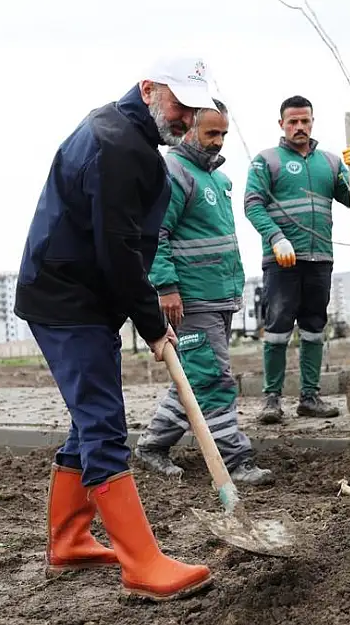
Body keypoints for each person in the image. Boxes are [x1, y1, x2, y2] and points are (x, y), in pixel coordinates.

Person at [14, 56, 218, 601]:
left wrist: (137, 313)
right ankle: (142, 564)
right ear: (149, 88)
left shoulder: (120, 131)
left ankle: (70, 540)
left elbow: (119, 245)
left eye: (195, 107)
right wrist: (152, 324)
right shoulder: (119, 145)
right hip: (67, 299)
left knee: (89, 422)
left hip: (78, 294)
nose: (186, 117)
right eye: (180, 104)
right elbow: (118, 249)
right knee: (104, 425)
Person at [133, 100, 273, 485]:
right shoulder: (174, 173)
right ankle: (236, 459)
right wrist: (167, 287)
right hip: (191, 299)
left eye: (224, 134)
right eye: (212, 133)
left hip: (219, 295)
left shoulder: (217, 179)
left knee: (196, 376)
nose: (219, 141)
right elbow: (155, 234)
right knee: (214, 378)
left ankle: (150, 446)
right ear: (189, 128)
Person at [243, 95, 350, 424]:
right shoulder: (266, 161)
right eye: (293, 121)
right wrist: (276, 237)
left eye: (305, 121)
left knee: (314, 327)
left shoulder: (329, 162)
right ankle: (271, 400)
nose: (300, 127)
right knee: (278, 328)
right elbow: (252, 205)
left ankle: (310, 397)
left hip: (320, 257)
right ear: (281, 123)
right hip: (282, 260)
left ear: (313, 122)